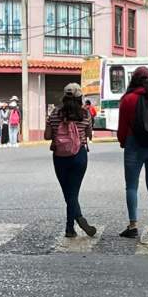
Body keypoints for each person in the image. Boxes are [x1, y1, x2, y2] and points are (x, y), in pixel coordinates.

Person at [116, 68, 148, 239]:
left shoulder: (128, 99)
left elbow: (123, 127)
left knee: (131, 186)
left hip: (135, 145)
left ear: (134, 79)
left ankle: (133, 226)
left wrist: (123, 142)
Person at [45, 83, 96, 238]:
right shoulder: (85, 114)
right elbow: (89, 135)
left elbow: (47, 136)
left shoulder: (54, 113)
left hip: (60, 157)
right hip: (79, 156)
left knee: (68, 192)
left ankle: (73, 225)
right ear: (80, 97)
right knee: (73, 192)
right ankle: (72, 224)